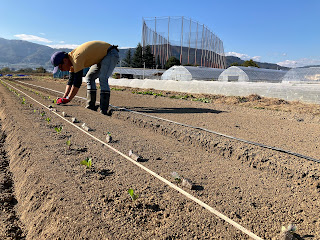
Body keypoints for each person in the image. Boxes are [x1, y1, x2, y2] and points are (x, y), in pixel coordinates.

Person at [51, 40, 119, 115]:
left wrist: (68, 99)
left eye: (60, 67)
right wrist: (64, 97)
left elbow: (77, 82)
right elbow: (71, 81)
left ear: (65, 60)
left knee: (103, 78)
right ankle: (90, 106)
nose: (61, 70)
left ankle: (104, 109)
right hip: (101, 57)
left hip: (110, 53)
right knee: (89, 77)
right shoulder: (71, 62)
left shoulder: (76, 58)